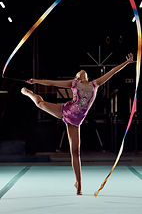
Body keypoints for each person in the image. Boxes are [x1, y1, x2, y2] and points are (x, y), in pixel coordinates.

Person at [21, 53, 135, 195]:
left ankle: (78, 184)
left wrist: (127, 63)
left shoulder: (95, 84)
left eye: (83, 71)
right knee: (40, 103)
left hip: (76, 121)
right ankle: (29, 93)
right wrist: (36, 81)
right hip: (66, 111)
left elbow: (112, 72)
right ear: (77, 77)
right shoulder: (74, 83)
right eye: (79, 72)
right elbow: (52, 82)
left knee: (75, 152)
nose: (82, 71)